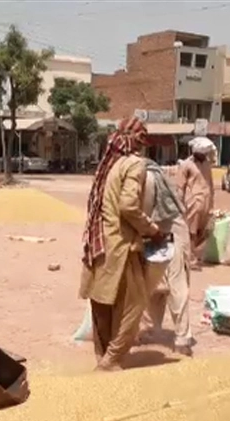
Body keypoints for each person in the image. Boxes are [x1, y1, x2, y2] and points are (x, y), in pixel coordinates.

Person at [79, 116, 163, 372]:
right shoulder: (134, 165)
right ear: (138, 141)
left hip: (98, 243)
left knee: (101, 303)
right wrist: (151, 229)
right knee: (134, 305)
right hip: (121, 246)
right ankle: (112, 359)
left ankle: (102, 358)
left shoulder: (109, 164)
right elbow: (128, 206)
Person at [139, 162, 196, 357]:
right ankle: (181, 338)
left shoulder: (144, 176)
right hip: (168, 230)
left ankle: (151, 328)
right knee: (176, 281)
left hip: (157, 229)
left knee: (153, 277)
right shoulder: (158, 177)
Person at [180, 138, 216, 269]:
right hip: (193, 203)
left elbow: (210, 184)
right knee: (191, 232)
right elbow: (180, 186)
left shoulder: (207, 164)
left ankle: (193, 255)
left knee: (204, 231)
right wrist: (181, 203)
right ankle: (190, 259)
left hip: (206, 203)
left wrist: (212, 202)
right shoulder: (186, 165)